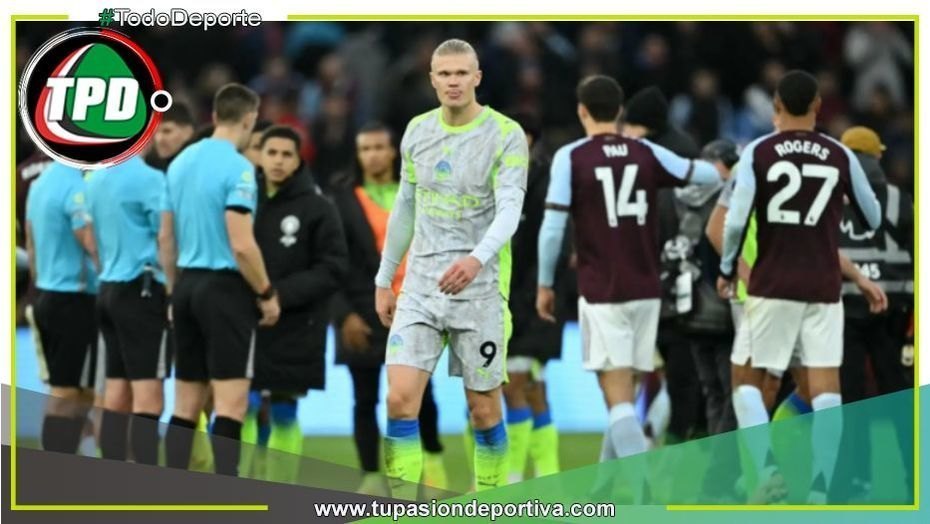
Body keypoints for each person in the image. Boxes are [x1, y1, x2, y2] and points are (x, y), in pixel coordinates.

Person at [536, 75, 725, 503]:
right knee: (626, 393)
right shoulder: (648, 152)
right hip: (646, 291)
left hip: (603, 291)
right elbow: (707, 176)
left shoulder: (572, 157)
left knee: (618, 398)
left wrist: (546, 283)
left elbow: (552, 229)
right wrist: (689, 212)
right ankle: (603, 488)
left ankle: (647, 496)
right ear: (620, 111)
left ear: (583, 111)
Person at [374, 39, 528, 497]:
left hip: (479, 291)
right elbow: (405, 207)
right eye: (445, 74)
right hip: (420, 286)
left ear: (477, 77)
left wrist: (477, 258)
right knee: (400, 401)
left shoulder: (505, 134)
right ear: (433, 79)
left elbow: (510, 208)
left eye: (462, 73)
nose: (453, 82)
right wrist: (385, 278)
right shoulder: (417, 131)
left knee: (483, 410)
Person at [718, 70, 881, 504]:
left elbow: (734, 221)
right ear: (817, 107)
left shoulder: (758, 151)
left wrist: (729, 265)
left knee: (745, 379)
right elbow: (873, 215)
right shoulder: (838, 153)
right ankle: (820, 489)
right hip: (824, 286)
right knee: (826, 387)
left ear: (775, 107)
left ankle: (766, 475)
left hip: (773, 282)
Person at [160, 83, 281, 477]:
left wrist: (173, 289)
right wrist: (265, 292)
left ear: (213, 116)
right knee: (230, 405)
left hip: (186, 287)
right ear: (249, 119)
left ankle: (171, 497)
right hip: (224, 290)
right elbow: (242, 244)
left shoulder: (179, 163)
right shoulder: (239, 168)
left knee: (184, 405)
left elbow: (166, 237)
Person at [330, 122, 449, 495]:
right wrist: (343, 314)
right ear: (358, 153)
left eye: (379, 147)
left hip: (414, 308)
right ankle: (369, 475)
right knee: (364, 397)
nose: (373, 155)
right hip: (361, 310)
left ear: (393, 151)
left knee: (421, 395)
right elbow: (332, 261)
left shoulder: (415, 193)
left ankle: (432, 460)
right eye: (366, 149)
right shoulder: (341, 198)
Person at [247, 125, 348, 483]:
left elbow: (333, 267)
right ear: (258, 155)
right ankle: (244, 486)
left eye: (286, 154)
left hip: (297, 323)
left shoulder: (317, 207)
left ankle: (279, 487)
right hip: (246, 320)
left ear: (298, 160)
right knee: (244, 404)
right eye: (271, 152)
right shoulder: (242, 199)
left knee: (285, 410)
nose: (277, 161)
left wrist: (280, 295)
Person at [835, 125, 914, 501]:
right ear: (879, 156)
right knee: (898, 394)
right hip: (893, 308)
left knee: (848, 398)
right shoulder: (900, 198)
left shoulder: (829, 196)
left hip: (844, 306)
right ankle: (912, 478)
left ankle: (854, 478)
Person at [621, 85, 703, 445]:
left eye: (631, 125)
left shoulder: (651, 160)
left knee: (644, 372)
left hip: (655, 280)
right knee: (681, 375)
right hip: (684, 282)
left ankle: (658, 444)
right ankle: (664, 438)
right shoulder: (688, 154)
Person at [85, 155, 170, 465]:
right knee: (149, 399)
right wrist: (174, 287)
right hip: (142, 290)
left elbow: (90, 236)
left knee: (116, 397)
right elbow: (166, 234)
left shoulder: (94, 179)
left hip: (107, 288)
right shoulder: (150, 179)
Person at [501, 113, 567, 483]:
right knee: (533, 388)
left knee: (515, 385)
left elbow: (553, 246)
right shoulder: (491, 182)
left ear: (530, 140)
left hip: (532, 304)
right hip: (499, 303)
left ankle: (511, 478)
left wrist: (535, 298)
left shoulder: (545, 184)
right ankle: (548, 475)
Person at [25, 161, 100, 454]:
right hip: (74, 297)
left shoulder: (40, 184)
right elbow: (90, 242)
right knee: (67, 389)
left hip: (46, 293)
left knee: (79, 390)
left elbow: (30, 242)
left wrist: (40, 282)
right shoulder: (76, 188)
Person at [145, 103, 196, 171]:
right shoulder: (148, 165)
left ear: (188, 132)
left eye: (167, 131)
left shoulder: (199, 164)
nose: (159, 139)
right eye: (154, 133)